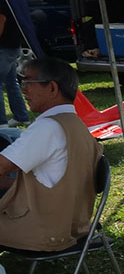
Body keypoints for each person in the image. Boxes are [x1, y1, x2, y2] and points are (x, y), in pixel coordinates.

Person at [0, 57, 101, 252]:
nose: (23, 90)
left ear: (52, 88)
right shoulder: (76, 124)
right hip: (72, 226)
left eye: (28, 82)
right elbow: (55, 181)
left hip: (45, 231)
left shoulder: (48, 127)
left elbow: (2, 166)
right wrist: (10, 184)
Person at [0, 5, 29, 127]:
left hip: (4, 47)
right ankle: (21, 116)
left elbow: (1, 19)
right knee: (11, 83)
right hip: (12, 45)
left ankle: (1, 123)